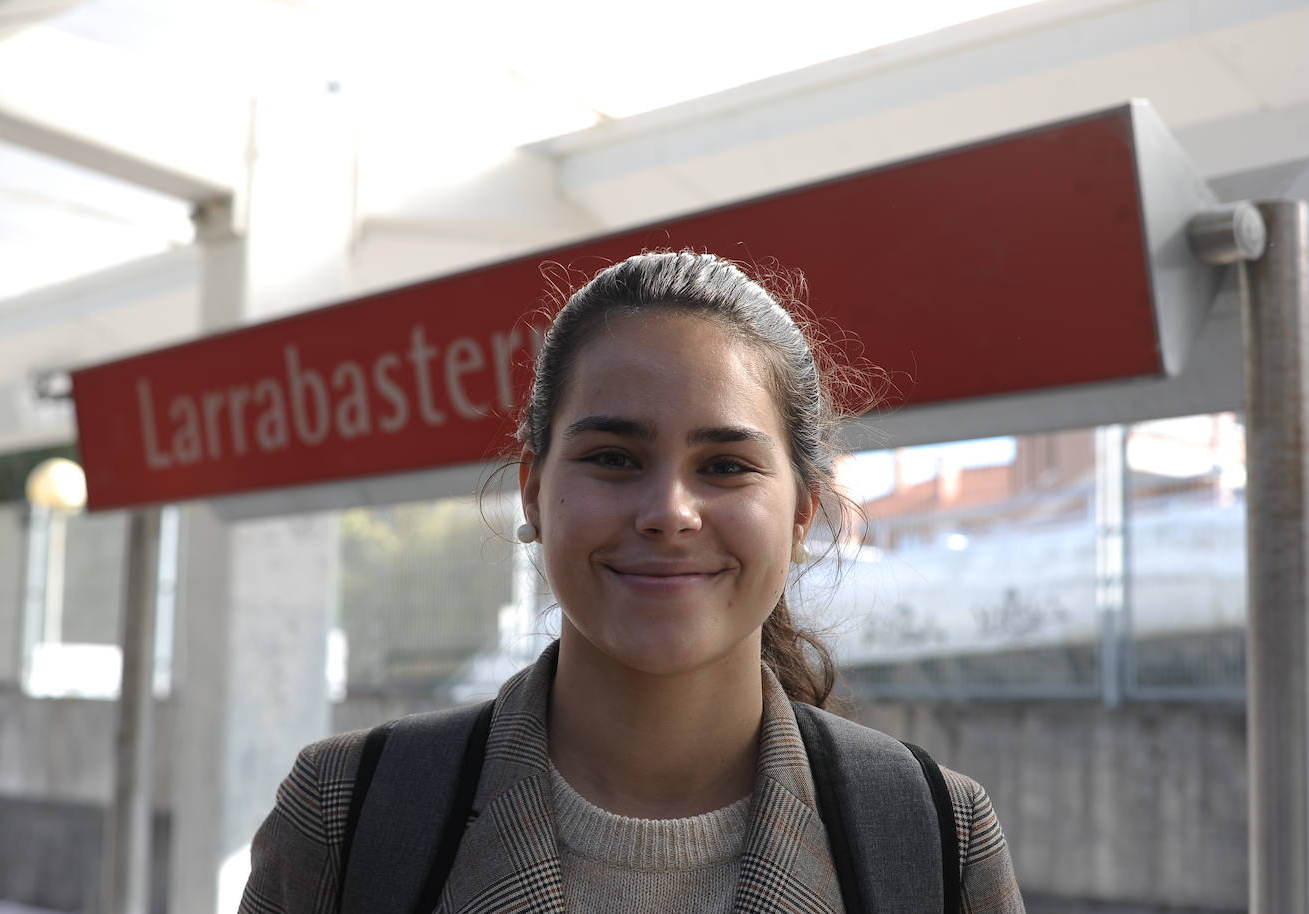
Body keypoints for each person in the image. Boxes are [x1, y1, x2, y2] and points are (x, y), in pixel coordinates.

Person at [240, 250, 1025, 913]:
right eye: (614, 457)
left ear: (800, 514)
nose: (669, 512)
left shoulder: (933, 836)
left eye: (725, 466)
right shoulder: (350, 814)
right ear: (532, 492)